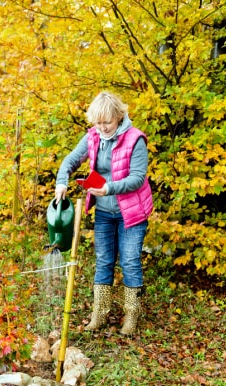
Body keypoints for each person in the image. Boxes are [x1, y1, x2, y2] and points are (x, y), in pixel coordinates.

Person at [54, 91, 153, 335]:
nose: (102, 128)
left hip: (132, 213)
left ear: (118, 117)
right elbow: (71, 160)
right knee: (104, 261)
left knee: (129, 261)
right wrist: (61, 182)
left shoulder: (135, 140)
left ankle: (131, 315)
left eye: (106, 122)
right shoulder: (93, 137)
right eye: (97, 123)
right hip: (105, 214)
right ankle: (100, 312)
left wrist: (109, 188)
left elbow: (138, 179)